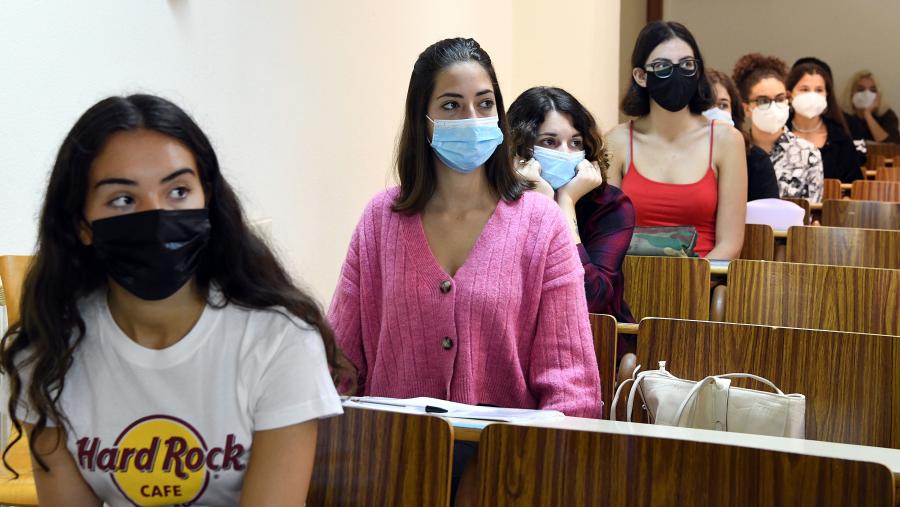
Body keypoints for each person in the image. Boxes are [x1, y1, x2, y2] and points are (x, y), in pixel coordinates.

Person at [0, 95, 345, 506]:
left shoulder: (279, 341)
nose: (157, 215)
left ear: (207, 201)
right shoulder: (49, 352)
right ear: (82, 224)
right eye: (123, 199)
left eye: (179, 191)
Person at [327, 38, 602, 505]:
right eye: (451, 105)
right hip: (391, 467)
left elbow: (572, 387)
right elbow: (340, 364)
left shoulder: (541, 224)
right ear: (424, 120)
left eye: (485, 103)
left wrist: (511, 475)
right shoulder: (380, 220)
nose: (472, 118)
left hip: (509, 472)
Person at [607, 21, 747, 260]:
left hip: (704, 277)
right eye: (662, 66)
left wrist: (689, 279)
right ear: (641, 76)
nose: (677, 74)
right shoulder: (616, 141)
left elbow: (730, 245)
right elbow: (608, 236)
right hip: (631, 277)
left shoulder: (727, 141)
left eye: (687, 65)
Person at [507, 86, 635, 323]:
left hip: (598, 335)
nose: (566, 153)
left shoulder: (611, 205)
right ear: (519, 149)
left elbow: (591, 298)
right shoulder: (498, 201)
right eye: (549, 142)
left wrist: (564, 204)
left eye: (576, 142)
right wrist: (537, 202)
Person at [733, 53, 824, 202]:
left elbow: (812, 209)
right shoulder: (736, 150)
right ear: (746, 108)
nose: (774, 106)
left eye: (780, 99)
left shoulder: (808, 153)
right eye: (763, 101)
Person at [706, 69, 779, 201]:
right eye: (707, 105)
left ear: (733, 111)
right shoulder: (679, 154)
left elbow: (767, 211)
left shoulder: (756, 159)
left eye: (723, 105)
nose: (715, 112)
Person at [787, 59, 863, 183]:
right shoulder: (777, 135)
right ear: (789, 95)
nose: (812, 96)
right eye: (804, 89)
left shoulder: (840, 139)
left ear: (827, 95)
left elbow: (853, 185)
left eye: (819, 90)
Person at [842, 70, 900, 143]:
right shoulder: (842, 117)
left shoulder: (887, 115)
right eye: (861, 89)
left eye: (873, 90)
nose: (867, 94)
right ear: (851, 94)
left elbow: (891, 145)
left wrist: (867, 114)